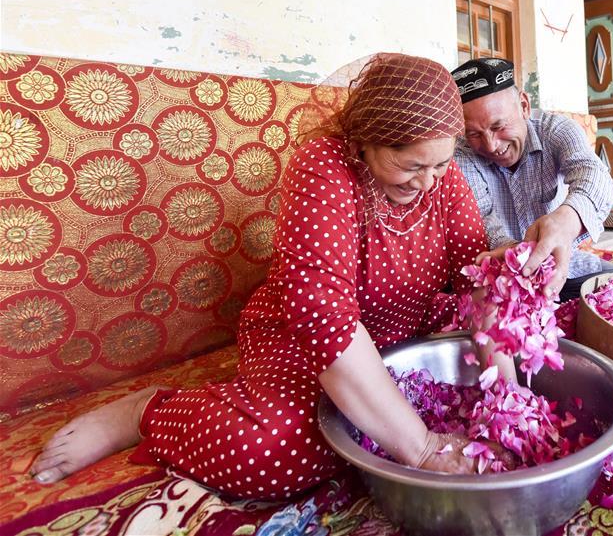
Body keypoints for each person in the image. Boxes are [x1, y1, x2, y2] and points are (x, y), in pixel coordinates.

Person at [30, 53, 513, 499]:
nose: (429, 183)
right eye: (411, 166)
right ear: (365, 140)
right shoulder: (325, 167)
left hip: (403, 335)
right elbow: (325, 322)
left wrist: (508, 401)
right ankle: (144, 413)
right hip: (301, 339)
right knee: (278, 449)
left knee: (499, 363)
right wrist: (424, 450)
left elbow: (477, 280)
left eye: (442, 164)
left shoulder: (442, 178)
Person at [452, 57, 613, 302]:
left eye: (499, 126)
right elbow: (484, 218)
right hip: (502, 279)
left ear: (524, 105)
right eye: (475, 134)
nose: (491, 145)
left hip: (565, 265)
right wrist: (520, 255)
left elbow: (592, 173)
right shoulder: (462, 154)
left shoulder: (557, 130)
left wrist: (568, 218)